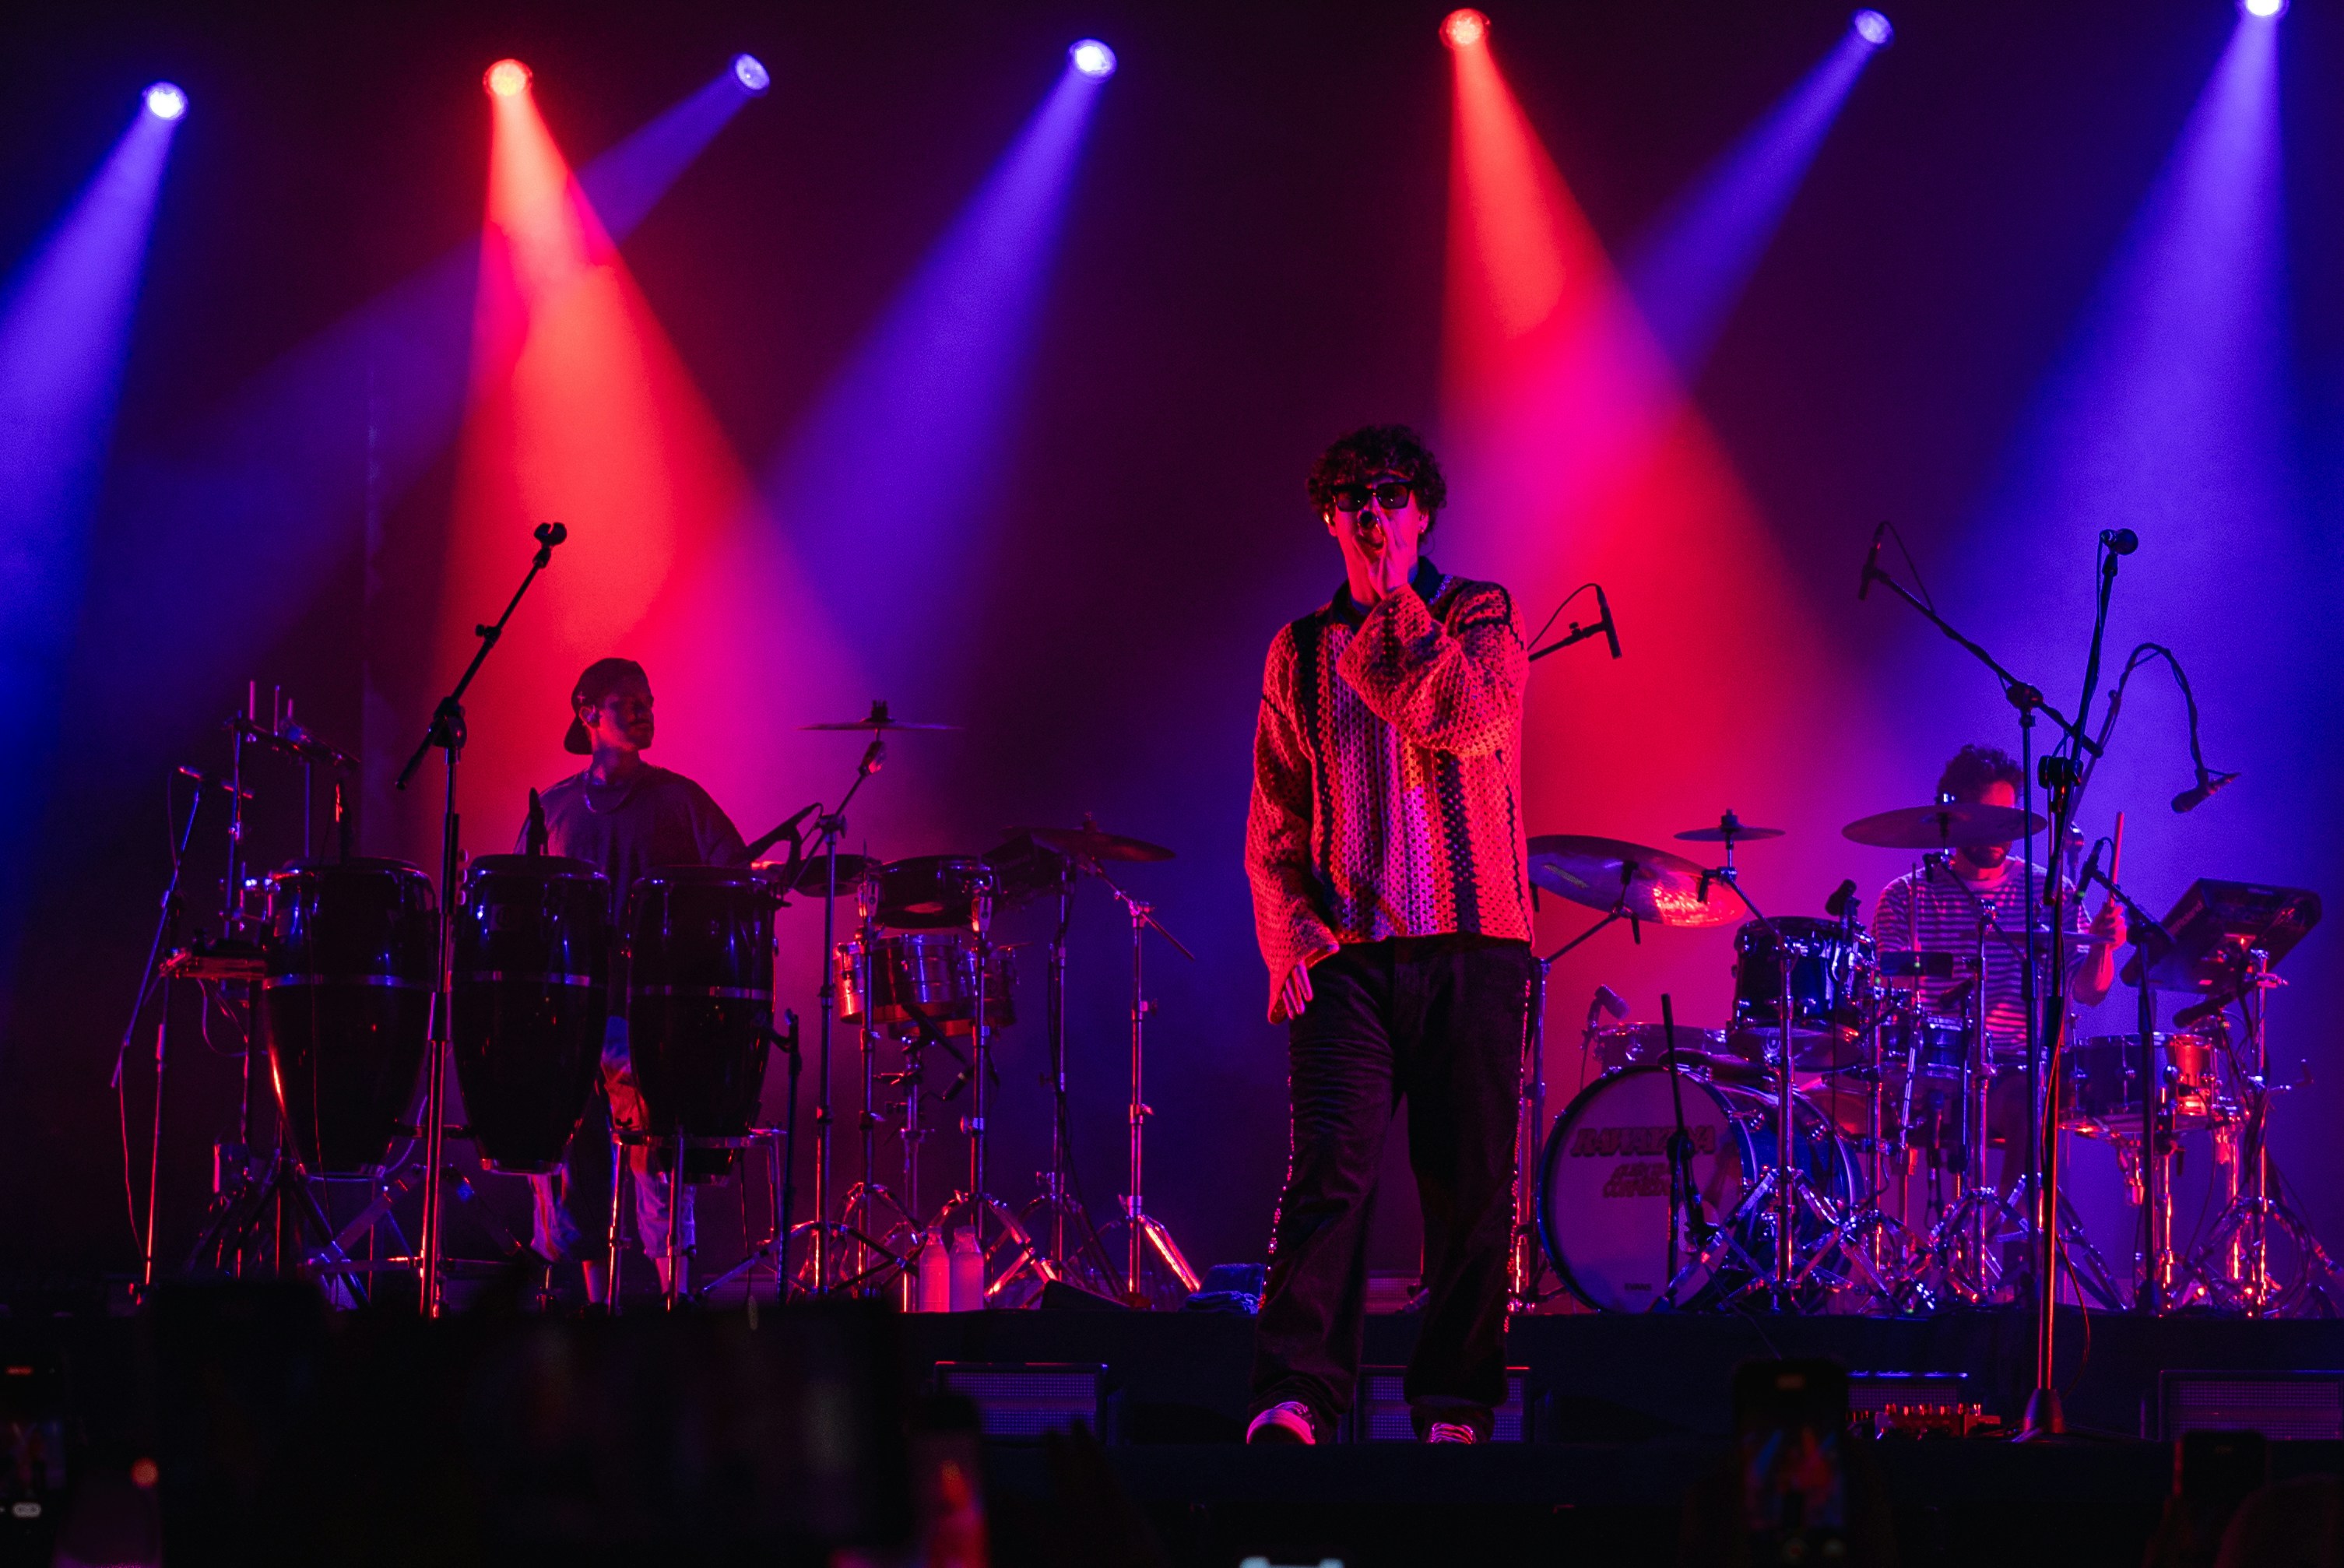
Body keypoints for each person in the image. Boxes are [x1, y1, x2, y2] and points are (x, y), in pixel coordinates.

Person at [1242, 424, 1535, 1447]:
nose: (1374, 513)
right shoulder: (1296, 648)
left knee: (1466, 1184)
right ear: (1327, 517)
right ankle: (1296, 1396)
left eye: (1393, 494)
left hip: (1473, 943)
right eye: (1353, 498)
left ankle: (1451, 1402)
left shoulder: (1479, 615)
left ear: (1422, 512)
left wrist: (1393, 604)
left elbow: (1465, 722)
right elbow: (1273, 822)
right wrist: (1289, 934)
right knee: (1327, 1170)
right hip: (1348, 958)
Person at [523, 657, 748, 1302]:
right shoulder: (557, 807)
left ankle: (674, 1306)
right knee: (571, 1164)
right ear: (587, 711)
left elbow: (735, 874)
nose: (646, 710)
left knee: (657, 1162)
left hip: (647, 1015)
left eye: (649, 699)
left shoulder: (679, 799)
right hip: (569, 1016)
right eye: (629, 701)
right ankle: (597, 1309)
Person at [1870, 742, 2125, 1166]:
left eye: (2005, 819)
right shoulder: (1904, 896)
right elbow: (1886, 993)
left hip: (2013, 1069)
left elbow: (2089, 991)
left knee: (2032, 1102)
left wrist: (2104, 946)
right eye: (1984, 818)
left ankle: (2010, 1229)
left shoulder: (2051, 893)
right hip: (1927, 1067)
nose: (1997, 833)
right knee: (1819, 1107)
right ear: (1952, 811)